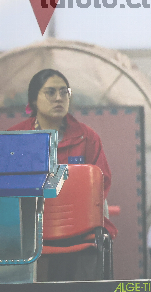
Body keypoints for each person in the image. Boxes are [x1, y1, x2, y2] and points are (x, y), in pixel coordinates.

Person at [9, 68, 115, 281]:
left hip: (79, 226)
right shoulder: (15, 138)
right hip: (29, 227)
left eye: (64, 92)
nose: (59, 98)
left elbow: (101, 184)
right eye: (50, 92)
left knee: (94, 237)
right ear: (33, 99)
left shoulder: (87, 137)